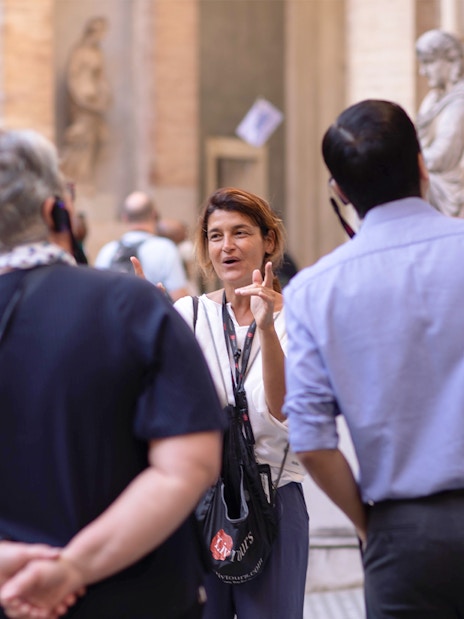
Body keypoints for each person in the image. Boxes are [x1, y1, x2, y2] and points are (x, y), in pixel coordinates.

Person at [0, 128, 223, 619]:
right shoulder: (132, 304)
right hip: (134, 599)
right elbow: (190, 464)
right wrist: (72, 567)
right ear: (54, 210)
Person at [283, 99, 464, 618]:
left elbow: (313, 441)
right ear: (423, 165)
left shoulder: (314, 291)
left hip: (402, 534)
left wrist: (372, 525)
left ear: (338, 192)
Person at [174, 187, 308, 619]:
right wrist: (144, 329)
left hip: (274, 497)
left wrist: (268, 332)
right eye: (215, 236)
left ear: (269, 241)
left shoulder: (299, 319)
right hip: (202, 498)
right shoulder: (188, 315)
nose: (226, 246)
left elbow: (284, 410)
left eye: (240, 233)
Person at [94, 191, 189, 301]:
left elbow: (97, 296)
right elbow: (180, 299)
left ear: (124, 218)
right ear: (154, 215)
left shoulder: (107, 250)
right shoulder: (166, 249)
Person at [415, 29, 464, 216]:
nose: (423, 72)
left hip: (450, 193)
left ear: (450, 60)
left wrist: (402, 161)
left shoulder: (459, 102)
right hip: (431, 180)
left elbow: (441, 157)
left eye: (428, 62)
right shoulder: (431, 99)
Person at [60, 16, 111, 184]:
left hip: (93, 100)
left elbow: (100, 78)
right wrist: (82, 100)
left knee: (92, 141)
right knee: (79, 139)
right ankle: (74, 178)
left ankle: (85, 178)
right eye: (99, 31)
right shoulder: (78, 52)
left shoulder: (97, 53)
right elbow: (72, 79)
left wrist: (104, 96)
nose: (102, 35)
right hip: (81, 101)